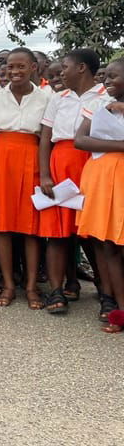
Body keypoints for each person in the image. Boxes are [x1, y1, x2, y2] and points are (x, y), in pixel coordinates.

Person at [38, 49, 107, 314]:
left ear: (81, 68)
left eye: (64, 67)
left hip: (92, 164)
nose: (59, 73)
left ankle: (106, 290)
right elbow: (45, 137)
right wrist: (45, 173)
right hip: (61, 163)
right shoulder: (58, 98)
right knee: (57, 232)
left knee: (93, 234)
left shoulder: (105, 96)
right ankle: (57, 291)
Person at [0, 48, 51, 309]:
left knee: (30, 227)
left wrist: (43, 170)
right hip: (1, 160)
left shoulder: (46, 98)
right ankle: (9, 284)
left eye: (21, 66)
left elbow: (46, 135)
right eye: (10, 67)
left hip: (32, 158)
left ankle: (32, 286)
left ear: (34, 67)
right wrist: (0, 158)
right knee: (1, 225)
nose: (15, 72)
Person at [74, 59, 124, 333]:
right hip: (102, 176)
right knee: (108, 245)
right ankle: (120, 309)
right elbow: (80, 140)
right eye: (106, 77)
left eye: (114, 76)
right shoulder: (98, 105)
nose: (107, 81)